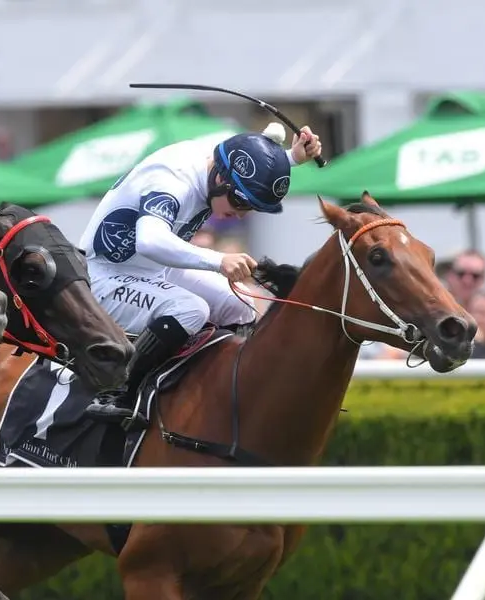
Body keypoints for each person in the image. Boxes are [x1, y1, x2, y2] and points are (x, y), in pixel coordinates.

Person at [79, 123, 322, 424]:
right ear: (221, 179)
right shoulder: (173, 180)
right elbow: (149, 240)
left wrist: (291, 158)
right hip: (103, 278)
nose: (242, 213)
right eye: (241, 202)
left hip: (153, 271)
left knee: (240, 306)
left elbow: (246, 161)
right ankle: (117, 393)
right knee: (190, 309)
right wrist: (218, 260)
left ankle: (220, 388)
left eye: (251, 207)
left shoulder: (216, 167)